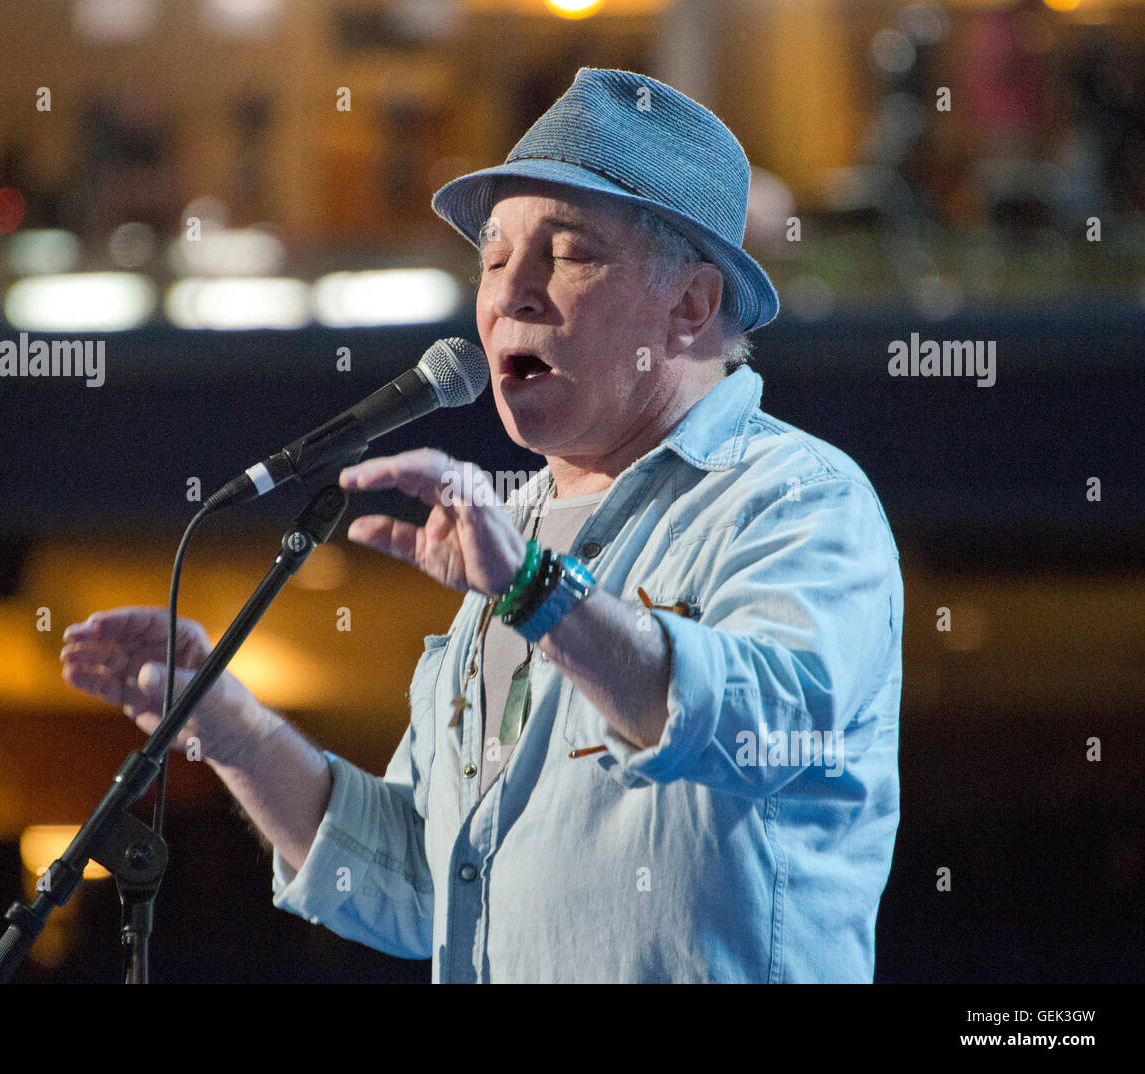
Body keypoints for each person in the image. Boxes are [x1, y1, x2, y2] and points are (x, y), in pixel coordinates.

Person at [61, 68, 903, 983]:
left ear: (693, 305)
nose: (514, 294)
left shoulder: (794, 499)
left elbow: (764, 727)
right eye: (495, 259)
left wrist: (538, 594)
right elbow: (418, 887)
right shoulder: (515, 538)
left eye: (568, 252)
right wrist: (225, 724)